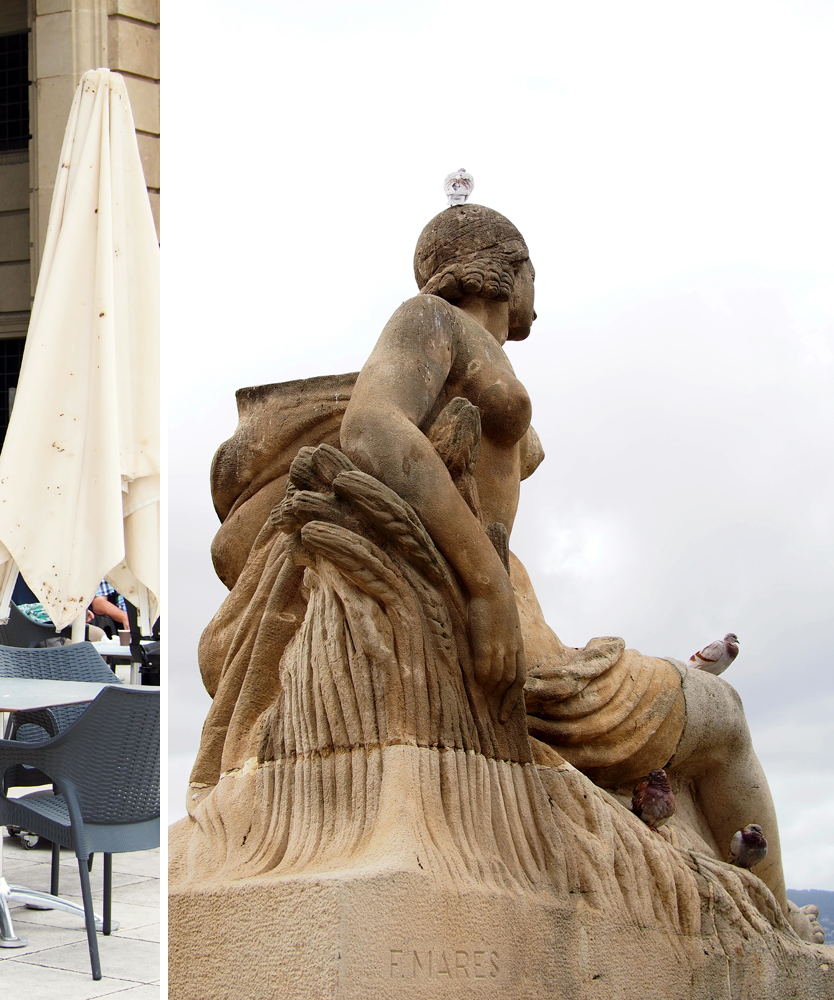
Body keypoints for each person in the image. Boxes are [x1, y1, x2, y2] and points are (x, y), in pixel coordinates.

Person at [188, 202, 814, 939]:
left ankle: (759, 912)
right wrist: (485, 588)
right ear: (509, 268)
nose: (536, 292)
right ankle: (783, 930)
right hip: (505, 628)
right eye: (533, 272)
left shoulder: (460, 346)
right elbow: (371, 430)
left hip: (507, 615)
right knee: (725, 717)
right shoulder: (431, 321)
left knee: (710, 720)